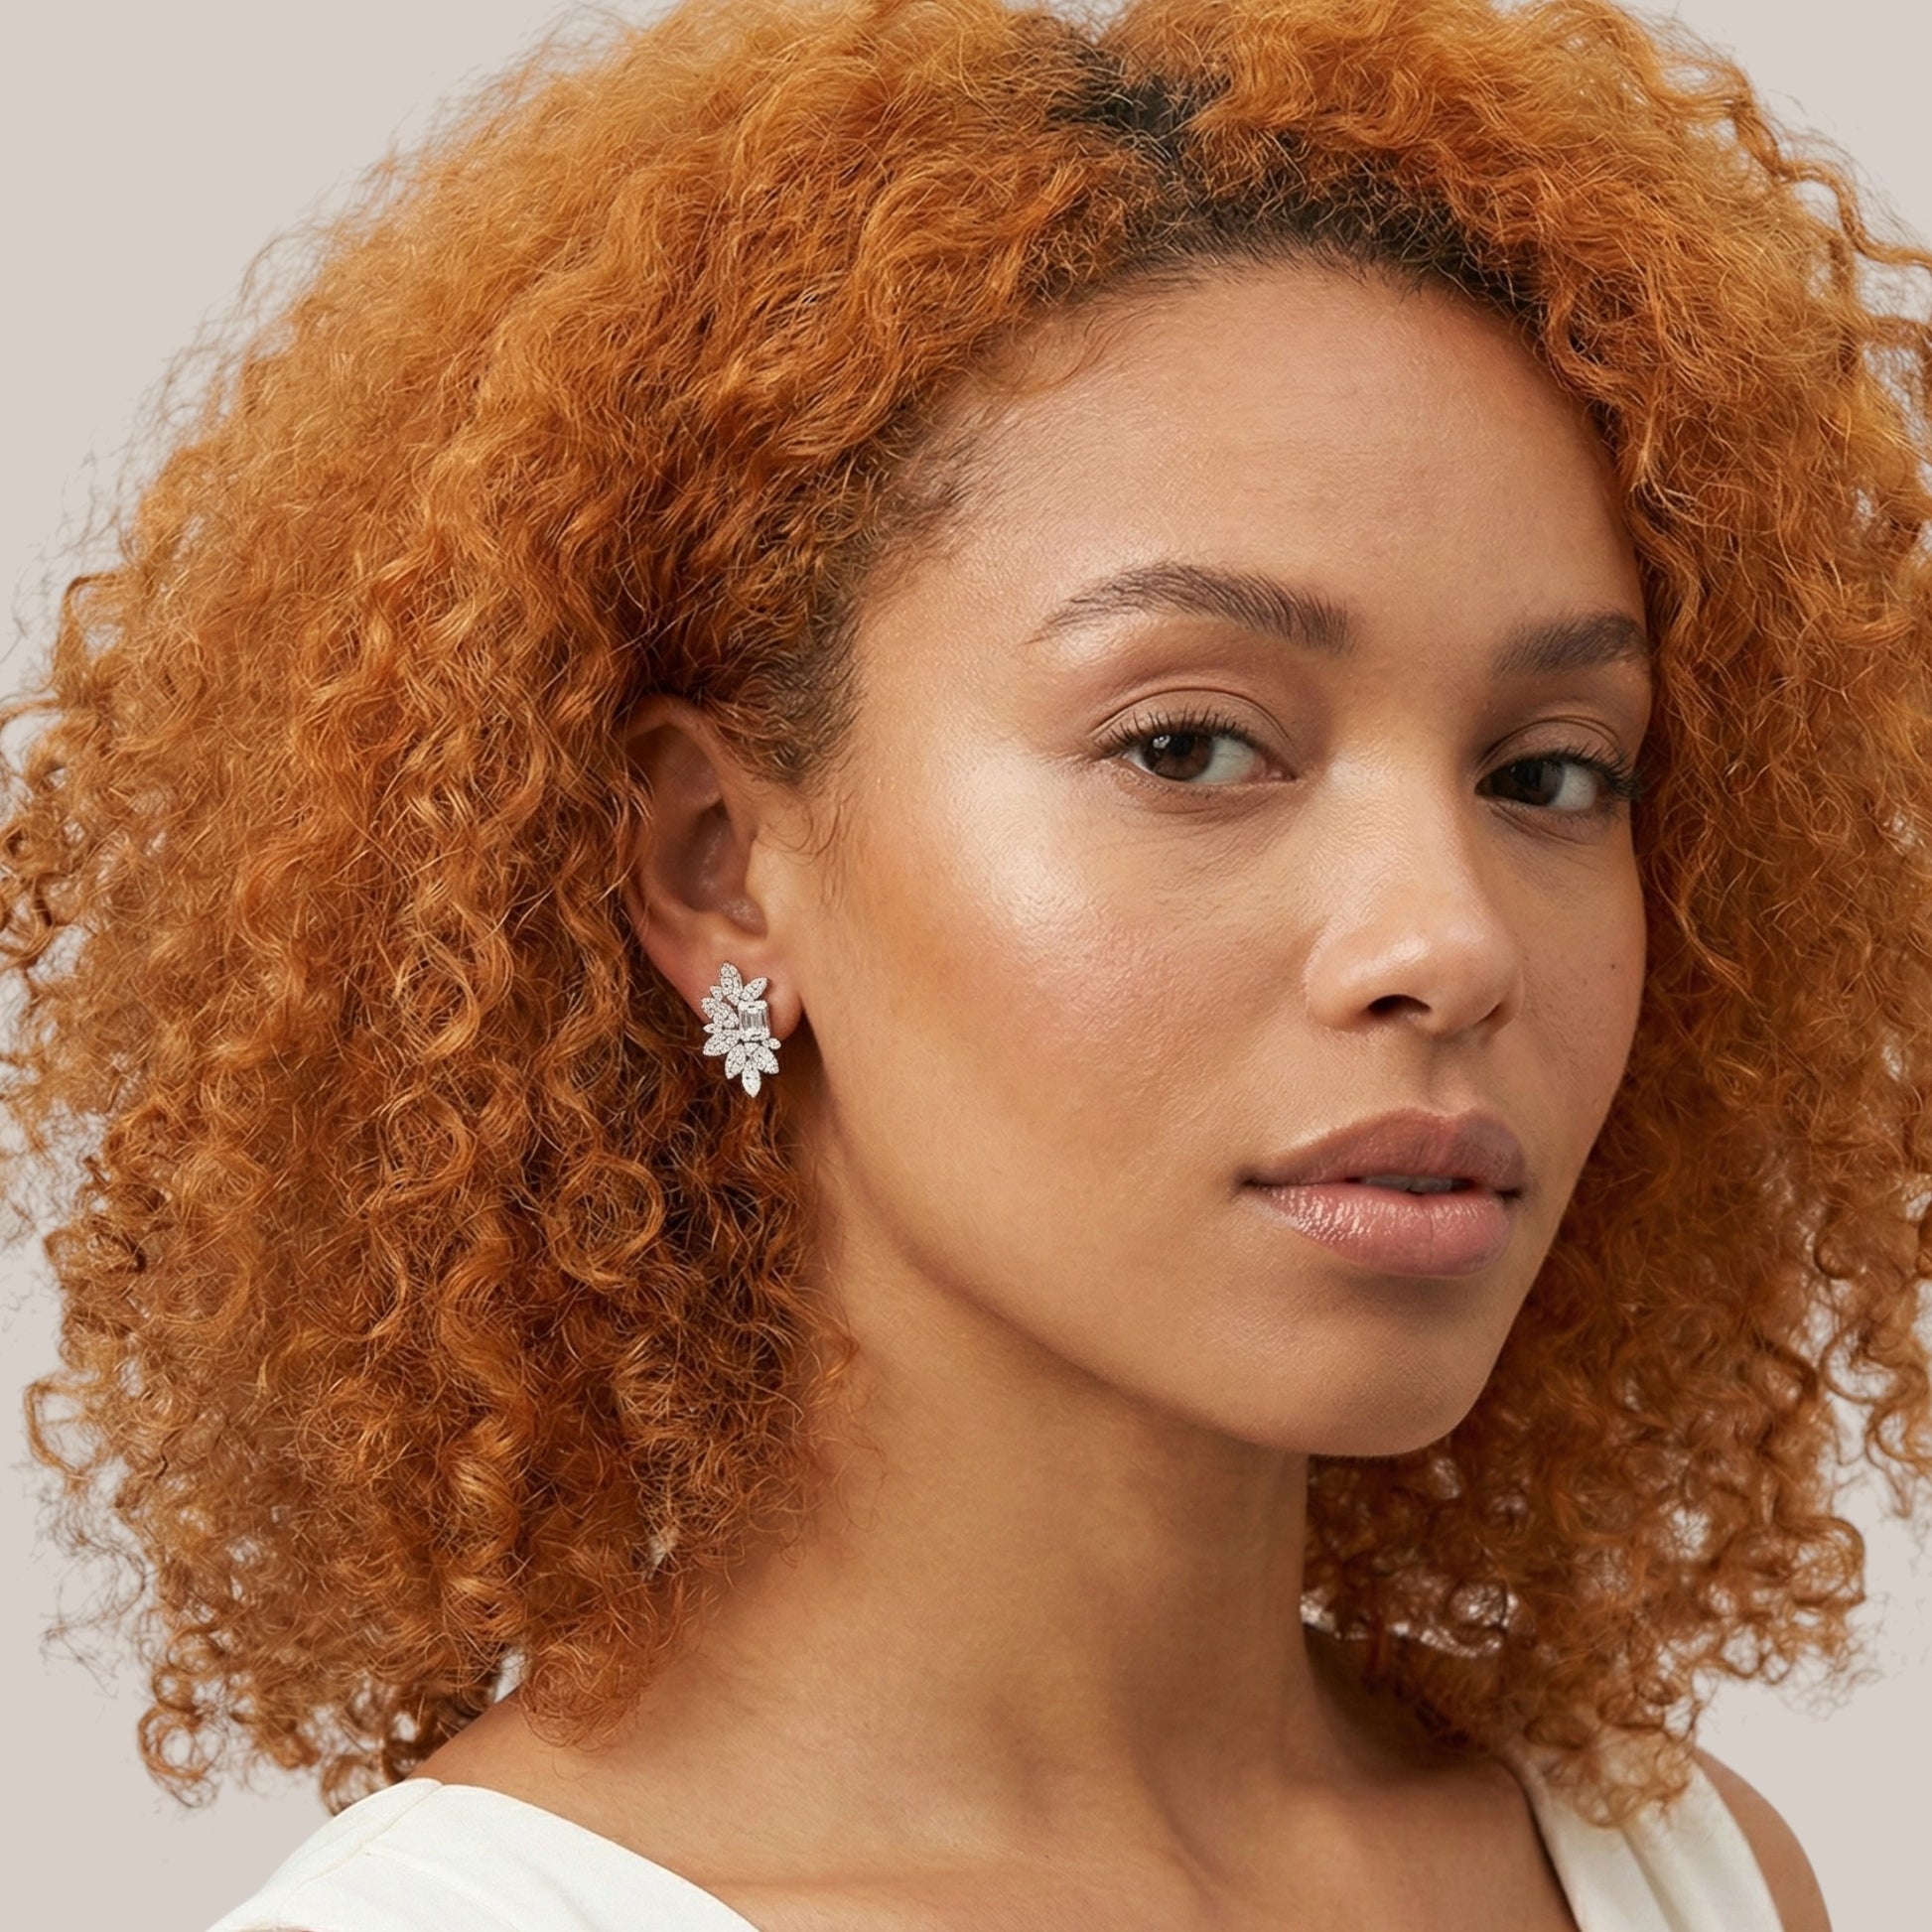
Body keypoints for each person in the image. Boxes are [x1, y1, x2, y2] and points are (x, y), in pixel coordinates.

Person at [7, 0, 1926, 1924]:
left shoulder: (1684, 1873)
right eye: (1187, 745)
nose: (1448, 939)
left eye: (1551, 771)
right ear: (718, 866)